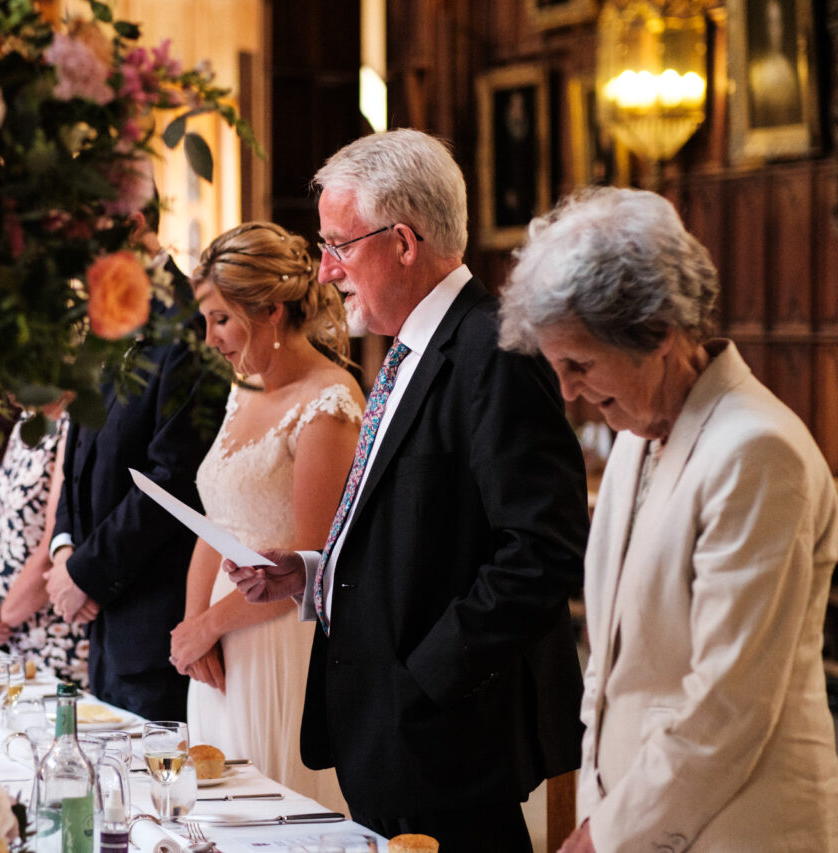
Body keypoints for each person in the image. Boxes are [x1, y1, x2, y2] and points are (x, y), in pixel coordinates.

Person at [224, 128, 588, 850]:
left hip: (445, 738)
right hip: (388, 732)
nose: (327, 272)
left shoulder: (494, 350)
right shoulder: (407, 351)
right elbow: (409, 529)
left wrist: (423, 678)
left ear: (404, 241)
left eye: (339, 244)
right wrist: (311, 572)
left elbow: (543, 551)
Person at [498, 186, 838, 852]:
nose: (566, 392)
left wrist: (611, 831)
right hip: (639, 810)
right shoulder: (635, 434)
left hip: (739, 822)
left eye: (580, 364)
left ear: (656, 334)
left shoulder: (754, 449)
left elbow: (728, 704)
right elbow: (614, 667)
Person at [171, 222, 359, 812]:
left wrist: (211, 625)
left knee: (271, 818)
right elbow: (216, 520)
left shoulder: (329, 403)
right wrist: (192, 622)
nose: (210, 338)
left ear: (272, 311)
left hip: (276, 647)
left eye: (221, 319)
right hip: (220, 653)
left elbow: (309, 562)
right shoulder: (243, 389)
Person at [45, 204, 224, 721]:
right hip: (99, 623)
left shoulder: (192, 322)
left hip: (154, 621)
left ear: (132, 224)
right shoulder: (106, 317)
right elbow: (76, 448)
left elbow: (175, 477)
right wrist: (63, 549)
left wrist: (87, 573)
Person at [0, 394, 90, 688]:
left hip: (53, 637)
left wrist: (0, 623)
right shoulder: (28, 423)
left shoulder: (72, 425)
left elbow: (54, 541)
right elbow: (3, 527)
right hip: (7, 633)